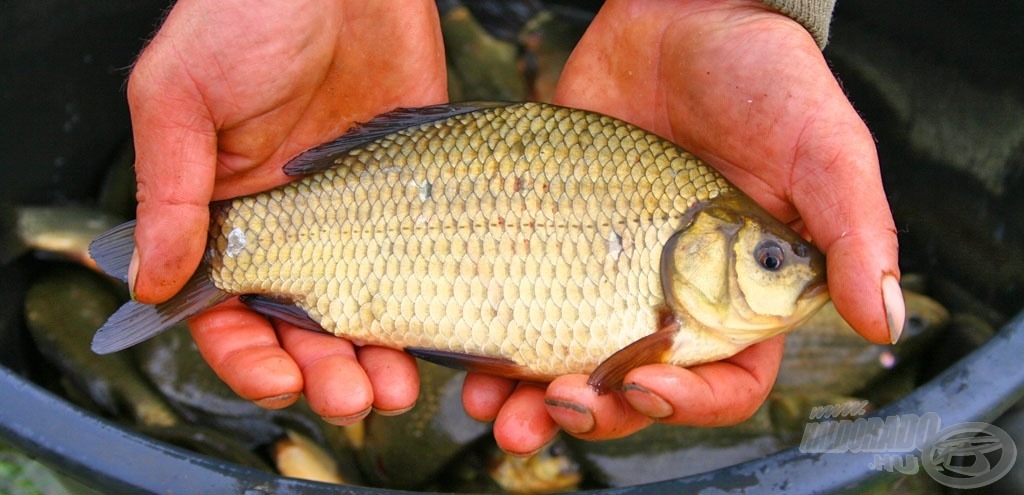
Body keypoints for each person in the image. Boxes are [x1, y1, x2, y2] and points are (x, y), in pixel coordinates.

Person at [125, 0, 903, 455]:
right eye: (771, 255)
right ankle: (217, 257)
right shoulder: (670, 326)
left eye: (774, 256)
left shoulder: (679, 281)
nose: (792, 269)